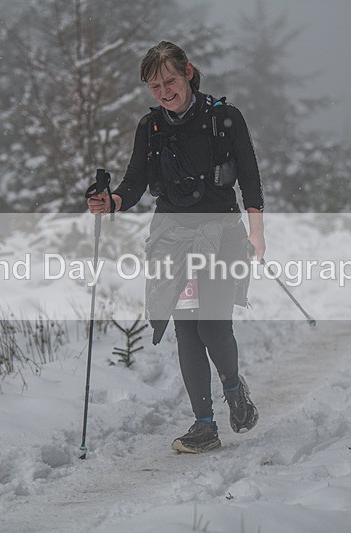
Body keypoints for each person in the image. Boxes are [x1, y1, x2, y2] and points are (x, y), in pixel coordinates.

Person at [87, 41, 265, 453]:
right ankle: (204, 425)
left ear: (188, 72)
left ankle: (234, 389)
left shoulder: (225, 118)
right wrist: (111, 201)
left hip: (222, 237)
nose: (165, 91)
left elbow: (250, 180)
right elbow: (133, 182)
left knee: (213, 326)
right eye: (155, 86)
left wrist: (257, 233)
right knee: (186, 330)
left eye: (170, 80)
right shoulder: (150, 128)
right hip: (173, 242)